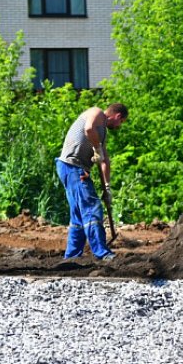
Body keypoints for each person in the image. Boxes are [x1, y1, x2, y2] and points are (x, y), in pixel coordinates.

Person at [55, 103, 128, 261]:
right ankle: (102, 253)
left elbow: (104, 160)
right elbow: (88, 129)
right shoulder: (97, 113)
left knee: (78, 215)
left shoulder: (102, 131)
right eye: (121, 122)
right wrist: (96, 148)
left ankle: (72, 256)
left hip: (73, 168)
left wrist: (107, 187)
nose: (119, 125)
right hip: (72, 166)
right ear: (117, 116)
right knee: (92, 207)